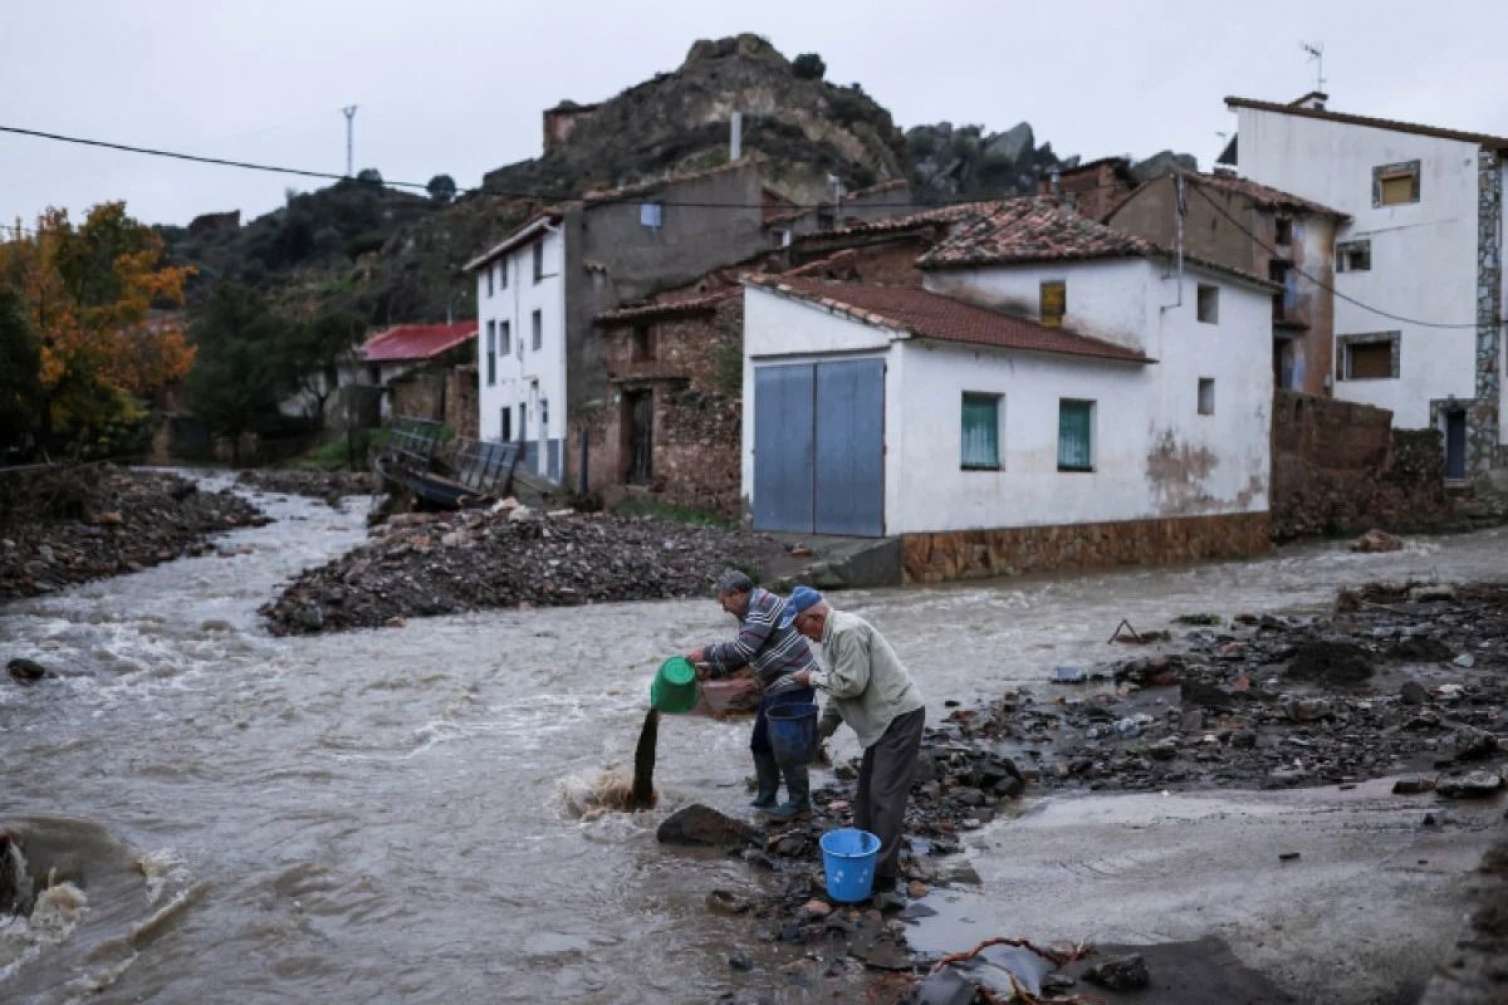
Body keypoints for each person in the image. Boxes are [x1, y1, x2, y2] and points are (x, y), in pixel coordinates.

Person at [783, 586, 925, 893]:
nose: (801, 635)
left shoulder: (847, 631)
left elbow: (850, 685)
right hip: (880, 722)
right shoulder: (831, 638)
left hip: (898, 717)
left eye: (799, 626)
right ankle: (861, 858)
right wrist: (821, 731)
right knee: (865, 798)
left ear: (815, 616)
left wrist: (811, 678)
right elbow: (838, 693)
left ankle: (883, 876)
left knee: (884, 797)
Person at [688, 570, 818, 819]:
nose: (724, 609)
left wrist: (703, 653)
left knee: (786, 745)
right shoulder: (751, 611)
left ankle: (800, 804)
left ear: (736, 594)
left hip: (795, 680)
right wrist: (713, 671)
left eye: (723, 601)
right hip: (775, 684)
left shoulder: (763, 604)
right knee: (760, 742)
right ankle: (766, 797)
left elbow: (743, 647)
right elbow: (748, 655)